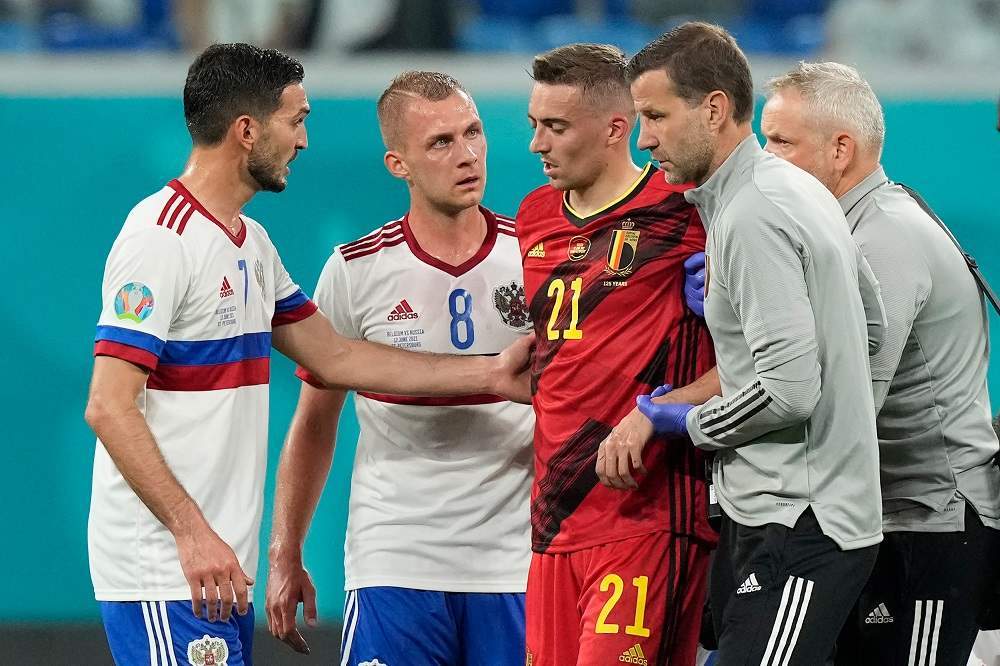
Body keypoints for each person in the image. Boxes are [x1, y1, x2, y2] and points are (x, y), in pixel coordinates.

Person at [84, 44, 531, 666]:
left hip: (216, 568)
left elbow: (337, 358)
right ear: (247, 131)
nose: (303, 140)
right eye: (295, 120)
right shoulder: (161, 238)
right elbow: (108, 406)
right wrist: (191, 533)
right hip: (167, 568)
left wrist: (492, 372)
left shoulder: (250, 244)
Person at [624, 22, 884, 665]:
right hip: (788, 511)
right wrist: (737, 309)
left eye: (656, 115)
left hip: (798, 521)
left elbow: (789, 391)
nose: (644, 138)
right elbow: (870, 325)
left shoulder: (751, 213)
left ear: (714, 109)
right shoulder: (790, 189)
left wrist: (690, 422)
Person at [263, 71, 534, 665]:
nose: (467, 155)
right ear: (398, 164)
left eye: (473, 132)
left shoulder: (535, 260)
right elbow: (314, 422)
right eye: (441, 142)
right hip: (395, 560)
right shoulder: (356, 270)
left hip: (516, 561)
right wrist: (285, 552)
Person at [760, 60, 1000, 666]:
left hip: (933, 523)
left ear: (841, 150)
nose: (765, 158)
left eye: (781, 141)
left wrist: (710, 430)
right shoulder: (859, 225)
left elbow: (846, 410)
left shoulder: (880, 241)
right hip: (892, 516)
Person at [517, 42, 719, 666]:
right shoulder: (534, 215)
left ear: (615, 129)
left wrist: (661, 410)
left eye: (556, 127)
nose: (537, 145)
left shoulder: (687, 209)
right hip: (554, 522)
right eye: (534, 125)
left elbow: (761, 356)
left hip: (647, 511)